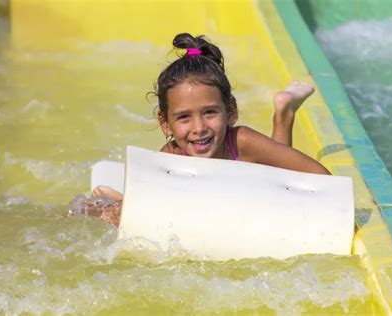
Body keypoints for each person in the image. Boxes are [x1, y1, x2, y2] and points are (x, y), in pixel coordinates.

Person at [78, 33, 330, 227]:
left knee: (278, 172)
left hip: (254, 181)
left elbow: (320, 176)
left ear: (230, 111)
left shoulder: (241, 142)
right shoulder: (170, 157)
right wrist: (117, 210)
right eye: (184, 117)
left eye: (210, 112)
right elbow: (152, 205)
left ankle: (284, 113)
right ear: (165, 123)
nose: (199, 128)